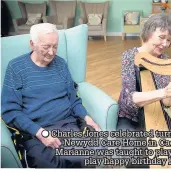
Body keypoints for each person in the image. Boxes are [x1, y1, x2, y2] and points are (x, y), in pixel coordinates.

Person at [1, 23, 101, 168]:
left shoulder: (61, 64)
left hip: (67, 125)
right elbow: (10, 110)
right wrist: (40, 132)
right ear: (32, 44)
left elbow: (73, 100)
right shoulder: (16, 68)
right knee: (48, 164)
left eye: (55, 46)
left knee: (86, 157)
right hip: (35, 130)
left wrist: (87, 117)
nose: (51, 52)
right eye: (46, 47)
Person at [117, 14, 171, 168]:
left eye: (169, 39)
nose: (165, 43)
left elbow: (166, 103)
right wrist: (164, 92)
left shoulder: (164, 61)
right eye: (162, 37)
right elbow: (129, 99)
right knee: (134, 156)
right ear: (148, 33)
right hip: (131, 117)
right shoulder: (129, 56)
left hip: (157, 114)